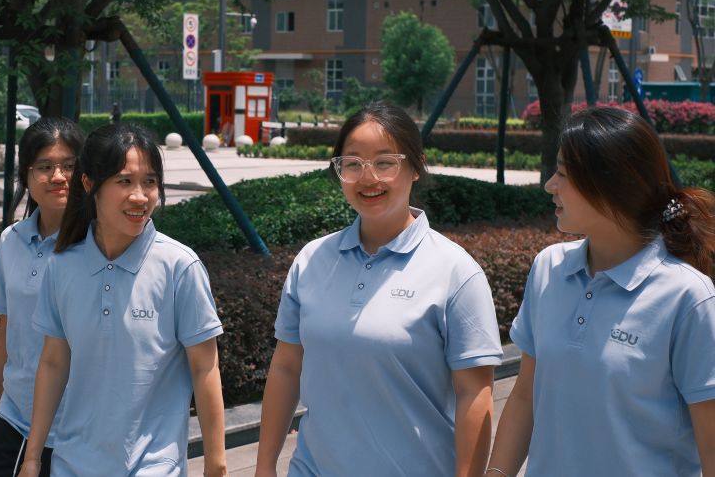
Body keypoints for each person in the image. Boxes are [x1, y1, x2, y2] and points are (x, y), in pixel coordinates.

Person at [255, 104, 503, 477]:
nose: (367, 177)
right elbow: (287, 367)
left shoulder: (455, 271)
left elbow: (475, 393)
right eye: (352, 163)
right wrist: (264, 466)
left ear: (416, 167)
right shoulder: (312, 260)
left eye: (385, 163)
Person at [485, 106, 715, 477]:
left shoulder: (687, 297)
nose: (550, 185)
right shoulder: (548, 269)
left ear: (611, 185)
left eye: (562, 173)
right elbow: (526, 396)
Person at [17, 123, 227, 477]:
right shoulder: (61, 267)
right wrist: (33, 457)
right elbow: (53, 363)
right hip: (71, 465)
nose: (140, 196)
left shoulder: (179, 267)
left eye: (150, 182)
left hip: (153, 468)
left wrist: (216, 466)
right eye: (125, 181)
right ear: (89, 184)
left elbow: (204, 368)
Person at [0, 117, 85, 476]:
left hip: (74, 424)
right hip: (13, 415)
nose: (58, 176)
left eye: (69, 165)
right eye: (45, 166)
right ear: (26, 175)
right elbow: (8, 330)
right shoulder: (11, 241)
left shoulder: (99, 247)